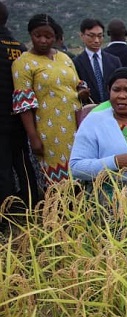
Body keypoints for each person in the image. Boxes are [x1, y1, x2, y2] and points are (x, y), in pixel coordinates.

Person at [12, 14, 88, 185]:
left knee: (80, 175)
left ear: (56, 37)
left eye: (48, 36)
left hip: (76, 126)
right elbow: (24, 105)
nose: (43, 40)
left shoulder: (64, 58)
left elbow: (77, 84)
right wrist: (33, 137)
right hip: (49, 131)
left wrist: (82, 91)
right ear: (30, 35)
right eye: (38, 35)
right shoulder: (23, 63)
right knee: (58, 183)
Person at [1, 2, 39, 229]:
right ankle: (32, 206)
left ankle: (5, 217)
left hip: (2, 120)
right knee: (24, 166)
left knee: (3, 170)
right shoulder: (19, 47)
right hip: (21, 119)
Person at [73, 18, 122, 104]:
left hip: (112, 108)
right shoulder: (76, 63)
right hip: (88, 110)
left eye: (100, 36)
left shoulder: (114, 61)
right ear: (82, 36)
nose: (96, 40)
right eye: (91, 36)